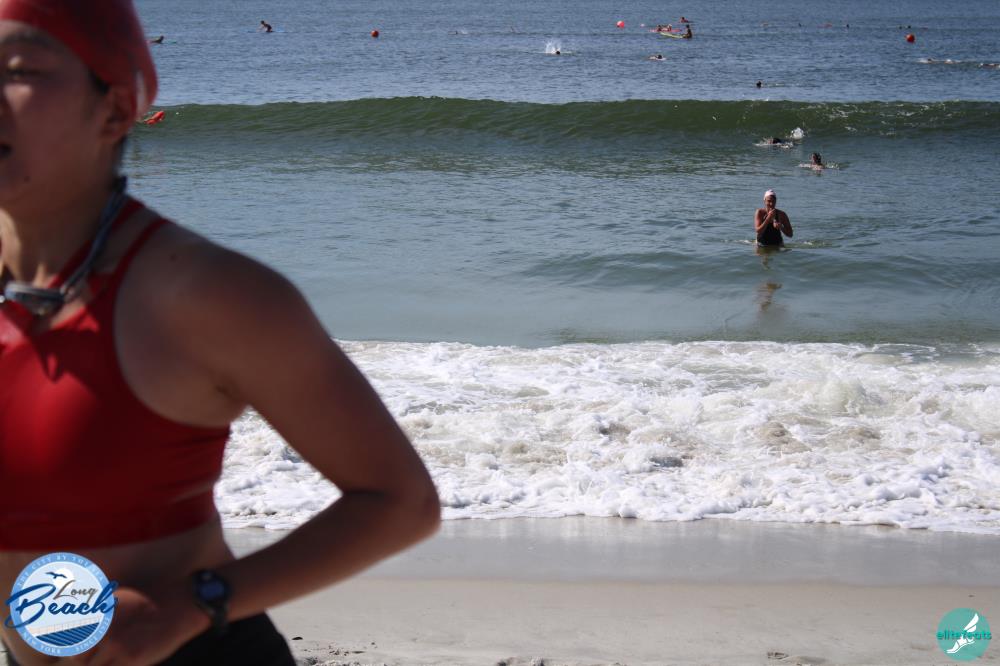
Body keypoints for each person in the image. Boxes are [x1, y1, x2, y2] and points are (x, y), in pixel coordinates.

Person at [0, 1, 440, 665]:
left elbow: (401, 502)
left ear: (114, 111)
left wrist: (189, 605)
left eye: (20, 71)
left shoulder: (204, 294)